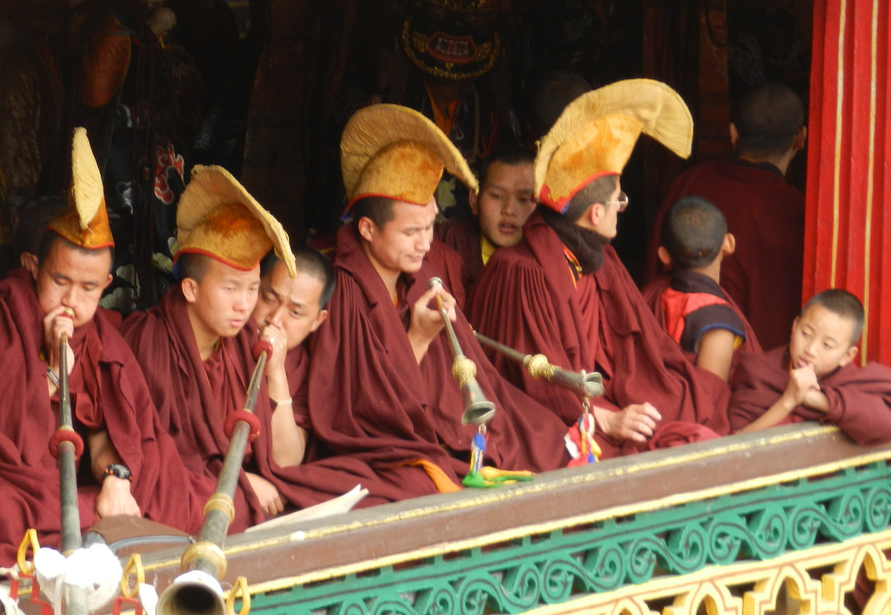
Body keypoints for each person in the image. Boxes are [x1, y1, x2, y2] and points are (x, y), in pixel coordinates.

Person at [0, 130, 221, 567]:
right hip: (17, 484)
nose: (73, 301)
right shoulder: (2, 316)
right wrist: (50, 375)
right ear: (32, 268)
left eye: (88, 288)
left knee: (169, 488)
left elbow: (109, 434)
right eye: (60, 282)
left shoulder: (103, 336)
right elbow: (17, 450)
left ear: (106, 284)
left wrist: (116, 477)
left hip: (69, 492)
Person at [302, 103, 570, 505]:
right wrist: (419, 337)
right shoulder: (346, 292)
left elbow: (474, 380)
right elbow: (358, 412)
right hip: (388, 448)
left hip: (447, 432)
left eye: (429, 227)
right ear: (368, 229)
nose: (425, 243)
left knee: (549, 438)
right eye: (411, 232)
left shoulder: (422, 276)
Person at [470, 80, 731, 457]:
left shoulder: (596, 257)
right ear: (595, 213)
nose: (620, 209)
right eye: (618, 201)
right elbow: (534, 379)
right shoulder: (521, 271)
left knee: (690, 411)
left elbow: (642, 350)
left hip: (599, 398)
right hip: (546, 420)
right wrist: (602, 417)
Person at [121, 166, 297, 518]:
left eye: (252, 289)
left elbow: (285, 461)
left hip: (233, 491)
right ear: (190, 289)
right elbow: (146, 458)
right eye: (230, 288)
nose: (244, 305)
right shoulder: (148, 341)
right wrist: (237, 483)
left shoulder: (247, 343)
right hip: (181, 493)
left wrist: (277, 375)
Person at [645, 82, 806, 348]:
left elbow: (655, 272)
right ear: (801, 138)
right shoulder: (796, 210)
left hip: (672, 347)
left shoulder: (689, 183)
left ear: (732, 134)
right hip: (758, 368)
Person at [728, 289, 891, 445]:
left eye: (827, 345)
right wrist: (789, 400)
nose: (811, 349)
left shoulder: (859, 383)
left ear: (847, 356)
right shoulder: (758, 371)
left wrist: (817, 400)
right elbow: (735, 443)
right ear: (794, 327)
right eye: (806, 333)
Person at [641, 196, 761, 382]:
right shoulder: (717, 321)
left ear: (664, 256)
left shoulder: (653, 293)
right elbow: (710, 398)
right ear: (729, 243)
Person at [249, 246, 334, 467]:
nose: (275, 319)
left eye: (295, 312)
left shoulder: (306, 370)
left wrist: (276, 372)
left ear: (317, 321)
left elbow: (287, 460)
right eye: (268, 298)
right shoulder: (221, 340)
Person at [435, 145, 537, 296]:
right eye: (497, 196)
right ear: (474, 200)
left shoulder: (550, 261)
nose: (509, 210)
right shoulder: (443, 245)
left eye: (523, 199)